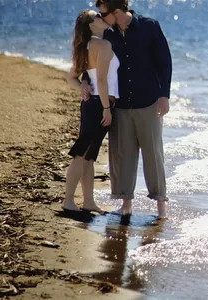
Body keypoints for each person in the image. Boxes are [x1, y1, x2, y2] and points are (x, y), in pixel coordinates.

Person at [82, 0, 172, 219]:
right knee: (122, 155)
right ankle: (126, 205)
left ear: (116, 11)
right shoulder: (107, 34)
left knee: (153, 155)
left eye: (103, 13)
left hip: (149, 102)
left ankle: (161, 206)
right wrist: (84, 81)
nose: (101, 18)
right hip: (120, 105)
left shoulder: (149, 26)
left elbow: (165, 62)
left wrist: (164, 96)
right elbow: (94, 62)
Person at [63, 9, 118, 214]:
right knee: (82, 153)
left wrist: (82, 87)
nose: (101, 17)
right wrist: (106, 108)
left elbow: (70, 77)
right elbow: (102, 80)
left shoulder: (85, 46)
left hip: (91, 103)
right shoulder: (103, 45)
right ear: (90, 25)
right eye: (97, 17)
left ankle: (88, 202)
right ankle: (68, 201)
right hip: (99, 104)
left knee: (89, 156)